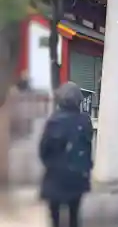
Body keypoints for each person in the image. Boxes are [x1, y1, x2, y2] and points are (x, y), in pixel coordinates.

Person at [39, 82, 93, 227]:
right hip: (77, 175)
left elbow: (43, 150)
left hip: (55, 175)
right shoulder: (85, 121)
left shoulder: (53, 121)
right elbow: (88, 147)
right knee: (74, 216)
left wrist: (50, 164)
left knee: (55, 217)